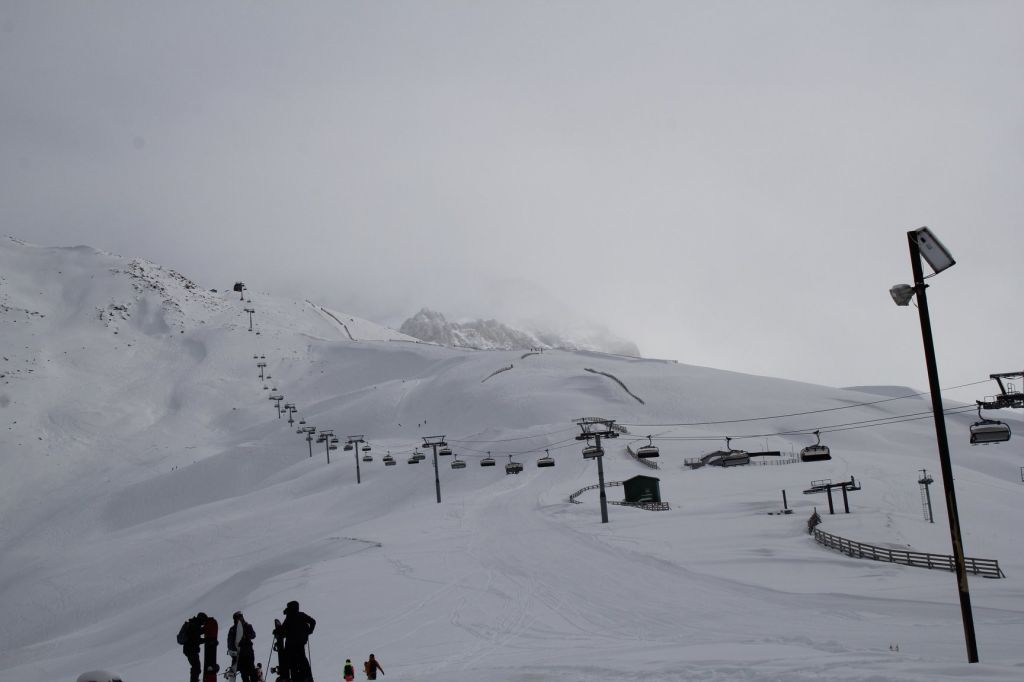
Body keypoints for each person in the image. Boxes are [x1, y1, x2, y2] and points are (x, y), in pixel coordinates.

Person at [281, 600, 316, 682]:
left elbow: (283, 630)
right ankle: (307, 677)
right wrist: (309, 631)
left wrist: (277, 632)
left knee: (293, 664)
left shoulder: (289, 618)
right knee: (302, 660)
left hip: (290, 645)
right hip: (300, 643)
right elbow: (313, 622)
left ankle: (295, 679)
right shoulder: (301, 615)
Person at [227, 611, 257, 682]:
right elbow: (230, 642)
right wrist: (234, 651)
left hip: (249, 653)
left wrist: (246, 636)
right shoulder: (233, 629)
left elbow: (253, 635)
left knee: (252, 671)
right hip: (240, 655)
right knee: (244, 674)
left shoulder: (248, 626)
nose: (241, 618)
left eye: (241, 617)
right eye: (239, 617)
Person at [181, 612, 208, 682]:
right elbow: (196, 639)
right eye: (204, 621)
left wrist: (205, 630)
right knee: (196, 668)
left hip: (190, 650)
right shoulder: (194, 625)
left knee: (196, 667)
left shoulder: (194, 624)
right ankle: (194, 680)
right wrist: (207, 640)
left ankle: (194, 680)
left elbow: (198, 633)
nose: (203, 623)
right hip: (191, 650)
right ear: (201, 619)